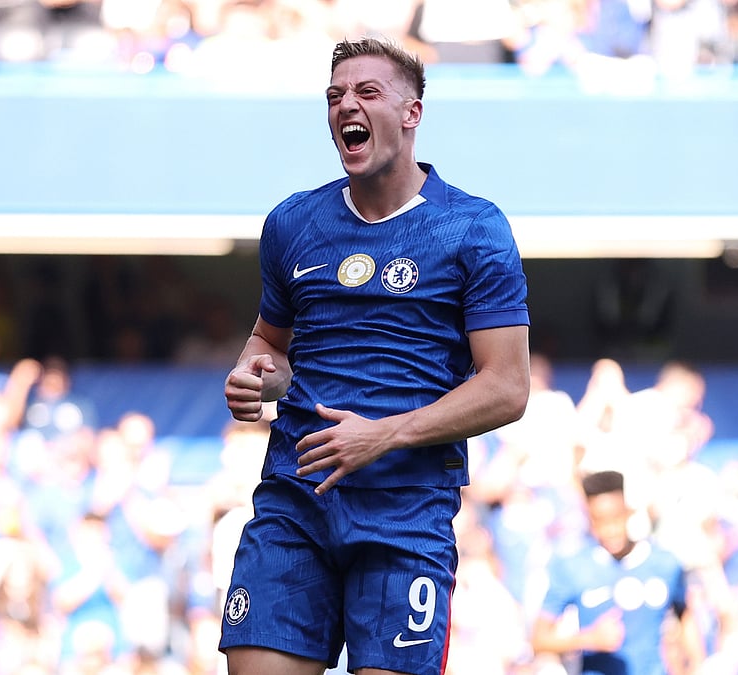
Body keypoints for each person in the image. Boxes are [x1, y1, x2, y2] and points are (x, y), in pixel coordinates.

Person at [219, 36, 531, 675]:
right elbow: (270, 345)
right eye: (334, 96)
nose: (345, 106)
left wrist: (383, 437)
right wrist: (256, 374)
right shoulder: (293, 223)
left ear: (412, 112)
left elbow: (507, 387)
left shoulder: (473, 228)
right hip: (294, 502)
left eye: (366, 92)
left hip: (406, 514)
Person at [531, 470, 706, 675]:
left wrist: (697, 664)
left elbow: (684, 613)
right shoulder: (572, 567)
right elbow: (538, 640)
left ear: (628, 512)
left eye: (616, 518)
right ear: (589, 519)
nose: (610, 529)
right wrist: (589, 639)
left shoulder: (664, 563)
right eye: (600, 520)